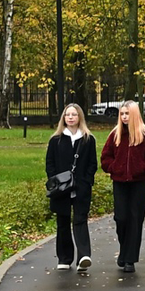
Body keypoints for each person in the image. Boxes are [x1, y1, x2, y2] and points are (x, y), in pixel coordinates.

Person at [100, 100, 145, 273]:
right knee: (121, 218)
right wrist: (113, 168)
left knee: (135, 219)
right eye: (122, 114)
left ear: (134, 115)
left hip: (138, 183)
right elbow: (106, 157)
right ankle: (124, 250)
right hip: (119, 182)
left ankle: (130, 259)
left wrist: (142, 168)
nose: (124, 117)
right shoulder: (115, 135)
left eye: (127, 113)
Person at [46, 104, 98, 272]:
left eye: (74, 114)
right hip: (61, 188)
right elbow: (50, 163)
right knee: (62, 221)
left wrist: (87, 181)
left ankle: (83, 256)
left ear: (79, 117)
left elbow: (92, 163)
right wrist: (55, 182)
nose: (70, 117)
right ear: (63, 118)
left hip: (81, 186)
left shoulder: (88, 139)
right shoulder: (56, 140)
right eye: (67, 114)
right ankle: (64, 257)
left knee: (80, 219)